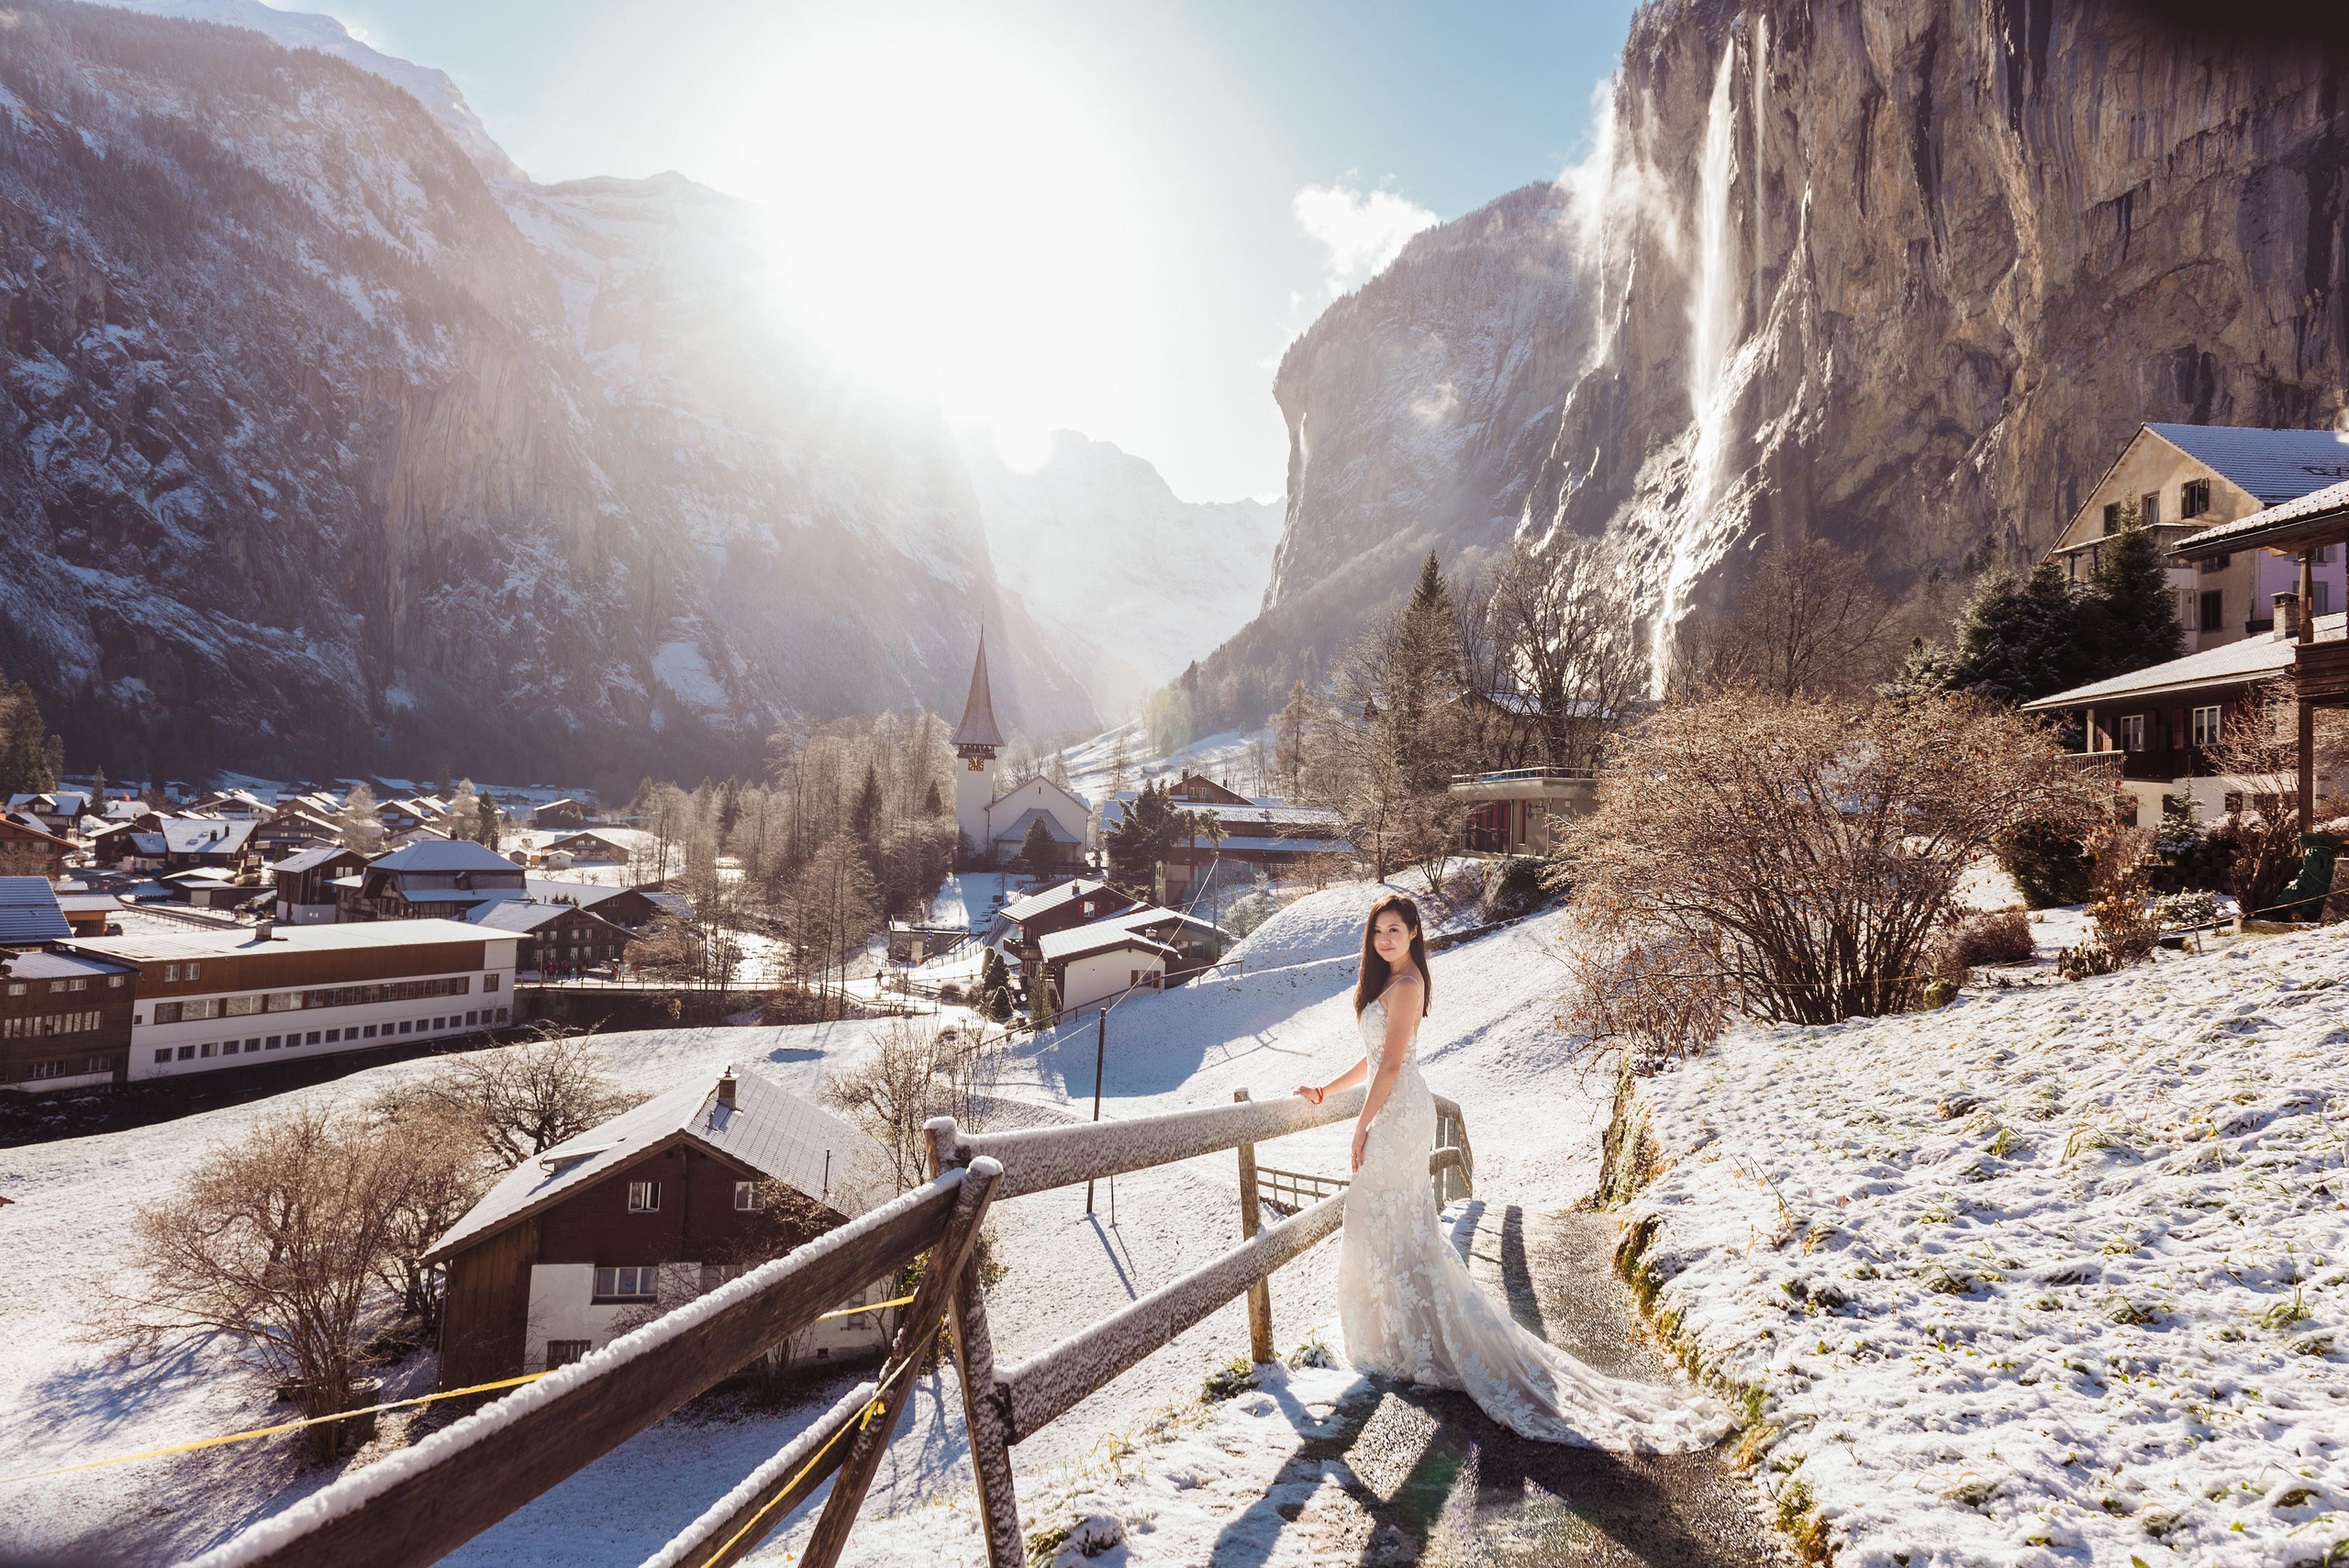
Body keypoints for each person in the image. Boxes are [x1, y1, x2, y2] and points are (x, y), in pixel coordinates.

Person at [1295, 893, 1731, 1451]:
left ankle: (1423, 1342)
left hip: (1400, 1113)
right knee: (1388, 1218)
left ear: (1414, 935)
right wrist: (1325, 1091)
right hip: (1394, 1106)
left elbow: (1394, 1063)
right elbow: (1372, 1055)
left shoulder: (1406, 986)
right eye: (1379, 930)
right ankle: (1399, 1338)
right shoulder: (1384, 982)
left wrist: (1361, 1126)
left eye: (1396, 930)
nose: (1385, 939)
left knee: (1398, 1218)